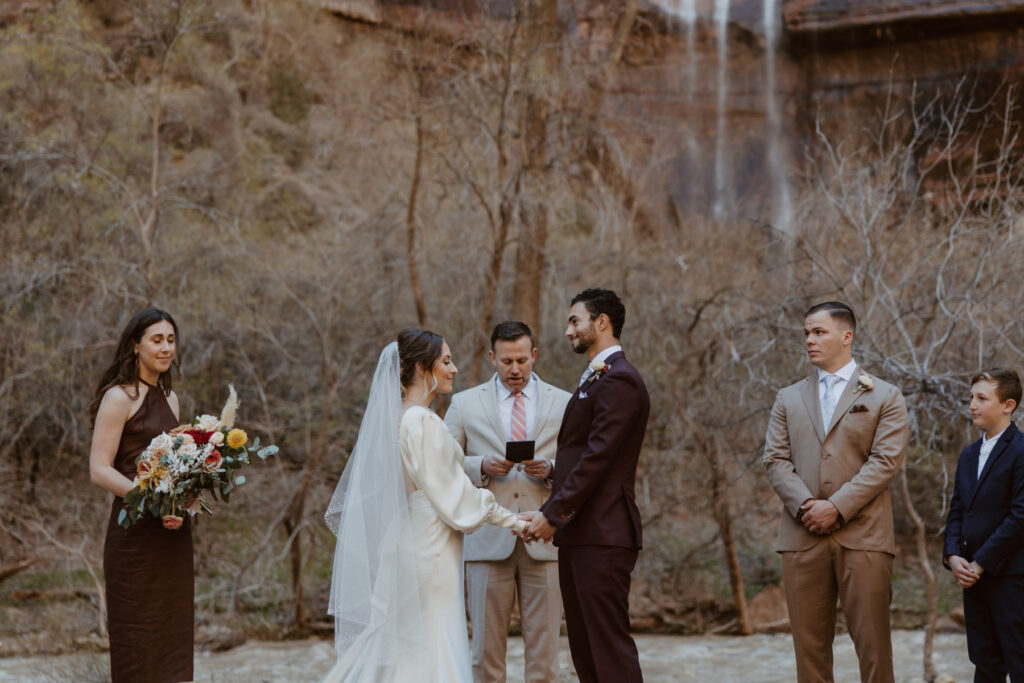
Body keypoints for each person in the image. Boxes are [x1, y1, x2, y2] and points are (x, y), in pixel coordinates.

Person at [321, 328, 527, 683]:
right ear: (420, 368)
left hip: (410, 540)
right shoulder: (423, 422)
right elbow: (455, 498)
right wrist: (518, 522)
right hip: (431, 549)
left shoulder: (397, 417)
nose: (455, 369)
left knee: (407, 651)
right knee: (433, 647)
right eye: (446, 361)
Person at [763, 301, 909, 683]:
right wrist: (809, 506)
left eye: (818, 332)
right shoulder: (787, 398)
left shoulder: (886, 396)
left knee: (875, 650)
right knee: (809, 656)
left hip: (865, 538)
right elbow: (775, 460)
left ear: (847, 337)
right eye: (806, 334)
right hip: (802, 536)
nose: (809, 340)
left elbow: (885, 462)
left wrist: (837, 507)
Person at [521, 288, 650, 683]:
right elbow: (584, 457)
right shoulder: (597, 378)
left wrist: (553, 515)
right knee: (584, 650)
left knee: (608, 649)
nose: (567, 331)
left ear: (602, 322)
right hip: (582, 533)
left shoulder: (621, 380)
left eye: (574, 321)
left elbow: (599, 458)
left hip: (604, 533)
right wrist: (552, 480)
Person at [445, 321, 571, 683]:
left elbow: (581, 466)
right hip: (485, 539)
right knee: (484, 655)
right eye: (506, 361)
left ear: (534, 355)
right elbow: (440, 464)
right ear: (492, 358)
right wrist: (480, 465)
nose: (514, 369)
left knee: (545, 655)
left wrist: (549, 468)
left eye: (521, 360)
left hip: (545, 539)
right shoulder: (464, 403)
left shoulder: (564, 403)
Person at [89, 308, 193, 683]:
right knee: (138, 639)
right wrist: (152, 498)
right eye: (156, 340)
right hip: (134, 535)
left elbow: (176, 472)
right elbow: (99, 469)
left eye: (170, 339)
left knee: (172, 639)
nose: (166, 348)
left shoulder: (172, 399)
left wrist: (184, 503)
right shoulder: (119, 397)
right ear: (136, 346)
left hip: (171, 536)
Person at [943, 368, 1024, 683]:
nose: (972, 405)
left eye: (982, 398)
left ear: (1008, 405)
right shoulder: (968, 454)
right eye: (971, 398)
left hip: (1012, 577)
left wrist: (981, 563)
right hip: (972, 578)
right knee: (984, 661)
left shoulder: (1020, 450)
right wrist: (953, 557)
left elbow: (1020, 516)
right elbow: (957, 511)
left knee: (1018, 661)